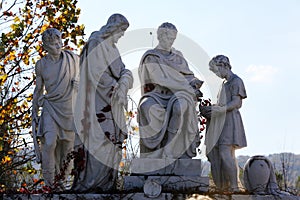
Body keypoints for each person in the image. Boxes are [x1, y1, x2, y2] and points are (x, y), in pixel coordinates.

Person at [72, 14, 133, 192]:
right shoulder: (96, 42)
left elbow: (124, 70)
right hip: (96, 103)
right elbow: (96, 75)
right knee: (98, 140)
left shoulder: (113, 49)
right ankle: (91, 183)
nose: (122, 35)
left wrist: (123, 83)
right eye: (121, 31)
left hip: (111, 104)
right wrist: (118, 86)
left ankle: (106, 184)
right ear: (113, 27)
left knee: (111, 143)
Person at [138, 22, 203, 159]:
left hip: (178, 94)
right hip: (157, 95)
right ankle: (152, 151)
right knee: (146, 106)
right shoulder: (151, 56)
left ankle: (170, 149)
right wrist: (186, 87)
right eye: (169, 38)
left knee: (180, 106)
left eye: (173, 39)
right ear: (160, 36)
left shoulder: (178, 55)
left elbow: (188, 75)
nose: (171, 42)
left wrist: (193, 83)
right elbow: (160, 79)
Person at [32, 28, 79, 190]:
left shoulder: (73, 60)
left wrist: (79, 85)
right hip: (50, 106)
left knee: (68, 148)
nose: (59, 45)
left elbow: (87, 77)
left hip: (69, 108)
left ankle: (63, 183)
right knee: (49, 142)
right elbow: (39, 90)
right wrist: (34, 111)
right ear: (46, 46)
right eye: (54, 43)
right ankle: (50, 184)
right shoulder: (41, 65)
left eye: (60, 41)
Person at [200, 55, 247, 192]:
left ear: (224, 66)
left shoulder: (236, 81)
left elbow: (237, 102)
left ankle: (234, 186)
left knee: (226, 152)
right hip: (220, 120)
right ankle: (225, 185)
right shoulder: (224, 84)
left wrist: (220, 109)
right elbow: (222, 104)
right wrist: (210, 109)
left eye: (216, 71)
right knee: (221, 153)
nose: (217, 74)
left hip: (230, 120)